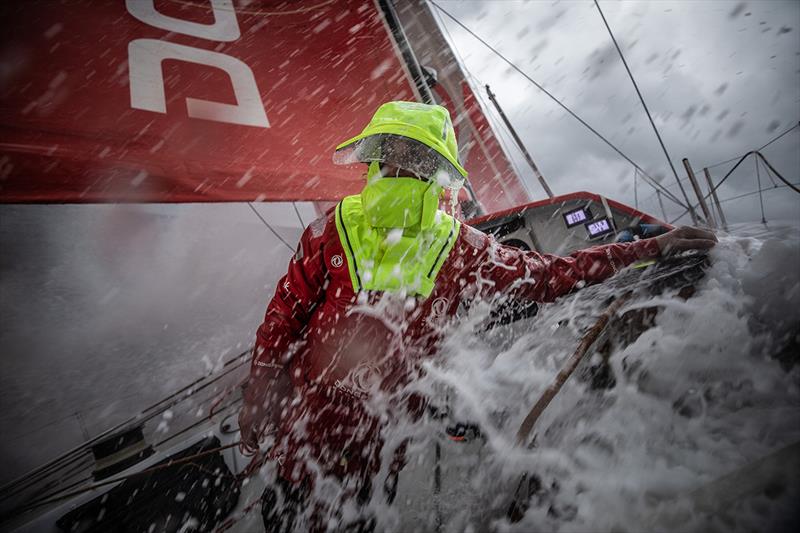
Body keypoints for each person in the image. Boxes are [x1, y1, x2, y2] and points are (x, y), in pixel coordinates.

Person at [238, 101, 717, 531]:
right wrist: (648, 247)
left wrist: (260, 393)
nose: (398, 169)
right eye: (396, 158)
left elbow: (284, 317)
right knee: (348, 510)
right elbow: (550, 276)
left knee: (301, 511)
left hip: (317, 439)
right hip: (360, 446)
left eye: (405, 159)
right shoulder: (459, 245)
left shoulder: (332, 227)